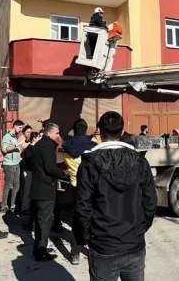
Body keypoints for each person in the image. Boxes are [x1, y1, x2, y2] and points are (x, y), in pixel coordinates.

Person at [74, 111, 157, 281]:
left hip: (104, 245)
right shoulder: (140, 161)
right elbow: (150, 201)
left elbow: (82, 206)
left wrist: (85, 237)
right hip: (131, 243)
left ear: (99, 131)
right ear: (122, 131)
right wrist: (139, 230)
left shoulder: (90, 163)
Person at [28, 120, 67, 261]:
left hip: (39, 188)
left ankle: (38, 247)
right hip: (45, 190)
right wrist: (64, 173)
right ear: (50, 133)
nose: (58, 135)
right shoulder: (46, 146)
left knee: (40, 221)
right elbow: (50, 168)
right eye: (57, 133)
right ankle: (41, 251)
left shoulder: (40, 144)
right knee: (44, 222)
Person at [61, 119, 98, 265]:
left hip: (75, 184)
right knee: (94, 219)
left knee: (76, 219)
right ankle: (93, 251)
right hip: (91, 186)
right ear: (86, 129)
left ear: (74, 130)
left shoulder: (66, 145)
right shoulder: (94, 147)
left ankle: (75, 253)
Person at [0, 119, 25, 212]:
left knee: (16, 185)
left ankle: (12, 205)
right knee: (8, 185)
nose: (20, 129)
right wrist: (17, 144)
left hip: (16, 164)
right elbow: (5, 149)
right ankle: (3, 206)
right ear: (14, 126)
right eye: (20, 127)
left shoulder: (15, 136)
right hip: (9, 165)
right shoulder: (7, 137)